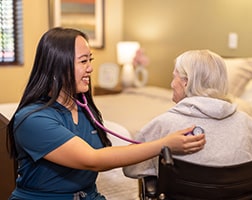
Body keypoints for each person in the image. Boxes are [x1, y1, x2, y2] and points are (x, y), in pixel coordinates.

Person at [6, 27, 206, 200]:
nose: (91, 68)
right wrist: (164, 144)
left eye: (90, 60)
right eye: (83, 61)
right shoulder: (32, 119)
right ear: (58, 65)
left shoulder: (85, 109)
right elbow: (93, 159)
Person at [123, 49, 252, 178]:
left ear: (186, 82)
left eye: (174, 78)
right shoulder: (247, 123)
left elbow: (131, 169)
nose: (172, 84)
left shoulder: (164, 124)